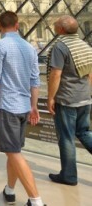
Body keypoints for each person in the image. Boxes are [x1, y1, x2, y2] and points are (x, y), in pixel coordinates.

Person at [0, 11, 46, 206]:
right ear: (18, 25)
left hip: (7, 106)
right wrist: (34, 106)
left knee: (14, 153)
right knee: (14, 150)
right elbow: (35, 80)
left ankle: (35, 201)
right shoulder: (30, 48)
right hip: (24, 105)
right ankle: (10, 190)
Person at [47, 15, 92, 186]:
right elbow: (90, 73)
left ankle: (69, 176)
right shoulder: (85, 45)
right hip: (84, 98)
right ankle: (69, 174)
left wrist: (51, 97)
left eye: (56, 25)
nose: (54, 26)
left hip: (67, 99)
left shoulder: (60, 46)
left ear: (61, 30)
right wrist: (87, 93)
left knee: (66, 138)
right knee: (84, 132)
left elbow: (56, 74)